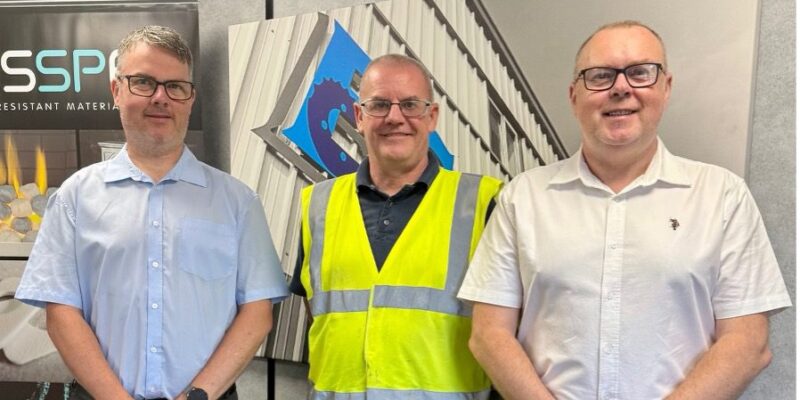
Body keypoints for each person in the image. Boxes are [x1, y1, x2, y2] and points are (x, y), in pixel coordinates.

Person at [458, 20, 791, 400]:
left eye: (640, 73)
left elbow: (748, 342)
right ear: (574, 95)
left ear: (666, 87)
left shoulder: (723, 196)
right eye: (600, 76)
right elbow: (488, 334)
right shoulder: (523, 198)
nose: (620, 88)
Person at [15, 25, 289, 400]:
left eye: (175, 86)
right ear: (117, 90)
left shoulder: (238, 202)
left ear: (190, 99)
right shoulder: (75, 197)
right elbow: (61, 312)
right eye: (144, 82)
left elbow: (257, 314)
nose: (161, 98)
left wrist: (197, 395)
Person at [288, 54, 502, 399]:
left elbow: (507, 330)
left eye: (411, 105)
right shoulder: (317, 205)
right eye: (379, 105)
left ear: (432, 117)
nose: (394, 117)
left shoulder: (483, 202)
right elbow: (318, 314)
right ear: (359, 117)